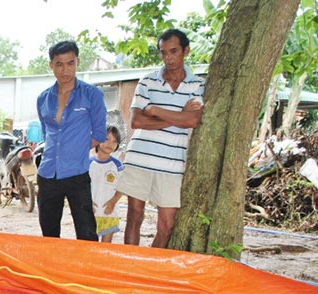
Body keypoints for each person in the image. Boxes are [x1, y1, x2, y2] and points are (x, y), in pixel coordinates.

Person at [117, 28, 204, 248]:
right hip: (139, 160)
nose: (168, 57)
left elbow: (193, 121)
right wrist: (178, 116)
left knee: (166, 227)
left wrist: (155, 109)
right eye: (163, 52)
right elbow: (136, 121)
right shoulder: (147, 81)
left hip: (173, 165)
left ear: (186, 51)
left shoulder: (197, 85)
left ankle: (150, 270)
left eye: (173, 51)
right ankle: (132, 267)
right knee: (134, 217)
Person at [36, 41, 107, 241]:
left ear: (77, 62)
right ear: (51, 65)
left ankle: (86, 271)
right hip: (48, 173)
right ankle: (52, 271)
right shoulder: (43, 98)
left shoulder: (91, 95)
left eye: (70, 63)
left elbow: (100, 134)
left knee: (86, 234)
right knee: (49, 235)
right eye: (59, 64)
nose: (65, 69)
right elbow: (46, 133)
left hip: (77, 173)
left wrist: (75, 151)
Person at [90, 126, 124, 243]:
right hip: (90, 213)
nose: (110, 144)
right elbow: (80, 187)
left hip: (109, 213)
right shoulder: (87, 164)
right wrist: (86, 203)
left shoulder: (117, 165)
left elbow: (122, 187)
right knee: (89, 245)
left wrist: (113, 202)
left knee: (106, 246)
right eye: (106, 139)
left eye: (114, 141)